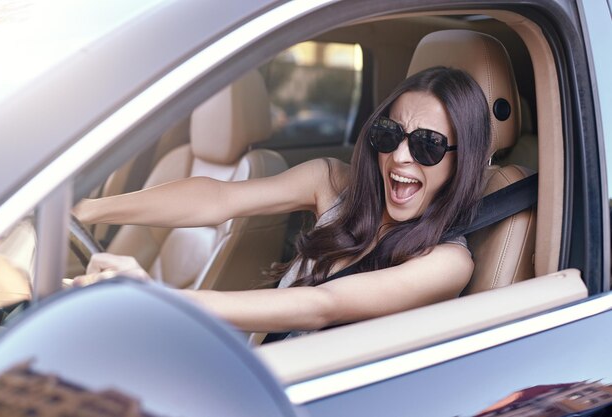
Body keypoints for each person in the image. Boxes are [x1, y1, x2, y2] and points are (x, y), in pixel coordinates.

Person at [72, 66, 491, 337]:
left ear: (462, 160)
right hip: (261, 368)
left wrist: (155, 297)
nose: (400, 156)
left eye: (427, 145)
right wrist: (88, 211)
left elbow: (321, 306)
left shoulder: (447, 263)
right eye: (389, 134)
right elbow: (218, 197)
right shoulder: (330, 182)